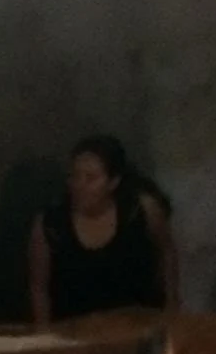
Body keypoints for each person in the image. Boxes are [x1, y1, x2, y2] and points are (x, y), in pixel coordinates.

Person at [29, 135, 179, 324]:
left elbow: (166, 252)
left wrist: (171, 306)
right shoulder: (51, 225)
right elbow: (39, 288)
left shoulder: (140, 211)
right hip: (75, 330)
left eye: (90, 178)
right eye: (74, 176)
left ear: (113, 182)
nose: (79, 185)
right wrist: (45, 334)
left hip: (138, 326)